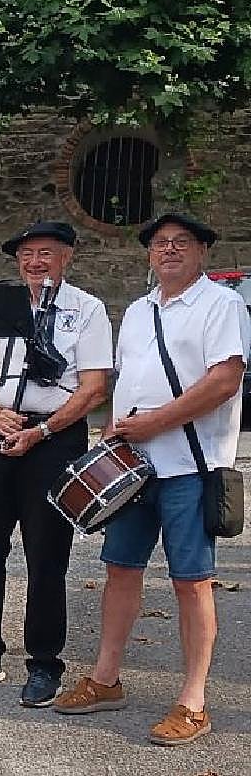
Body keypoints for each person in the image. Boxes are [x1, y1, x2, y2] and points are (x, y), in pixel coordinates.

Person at [53, 214, 249, 746]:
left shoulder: (222, 305)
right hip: (134, 467)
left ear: (202, 251)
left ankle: (193, 702)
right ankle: (106, 677)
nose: (169, 251)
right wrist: (116, 430)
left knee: (191, 581)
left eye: (181, 243)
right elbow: (129, 379)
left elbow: (224, 380)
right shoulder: (139, 311)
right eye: (160, 244)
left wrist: (156, 420)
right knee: (120, 570)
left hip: (191, 466)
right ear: (148, 256)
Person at [0, 221, 112, 708]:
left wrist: (42, 431)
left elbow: (94, 387)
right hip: (0, 431)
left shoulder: (87, 311)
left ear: (67, 257)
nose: (35, 262)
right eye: (28, 254)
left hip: (54, 437)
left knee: (46, 554)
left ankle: (45, 662)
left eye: (46, 253)